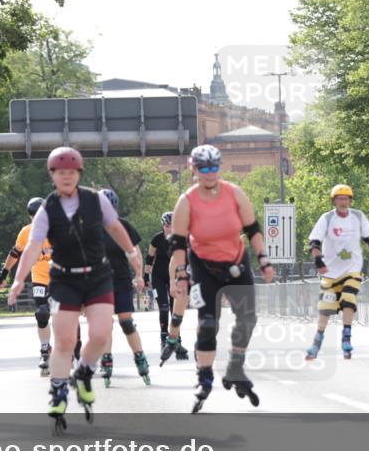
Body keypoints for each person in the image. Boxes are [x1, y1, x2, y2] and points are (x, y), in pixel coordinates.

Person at [8, 147, 142, 432]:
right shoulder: (48, 208)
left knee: (100, 333)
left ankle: (84, 373)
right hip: (64, 279)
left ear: (79, 174)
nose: (66, 177)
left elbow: (116, 228)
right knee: (66, 339)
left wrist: (132, 253)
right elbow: (32, 247)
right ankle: (58, 393)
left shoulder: (95, 201)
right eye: (60, 173)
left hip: (98, 276)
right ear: (52, 176)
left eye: (71, 172)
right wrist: (19, 279)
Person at [169, 144, 275, 413]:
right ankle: (204, 376)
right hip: (204, 266)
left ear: (220, 167)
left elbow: (252, 229)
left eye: (214, 167)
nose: (209, 173)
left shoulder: (234, 193)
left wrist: (263, 259)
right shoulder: (187, 200)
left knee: (248, 317)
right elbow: (178, 243)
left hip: (237, 262)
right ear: (193, 169)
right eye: (203, 168)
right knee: (207, 324)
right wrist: (181, 275)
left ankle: (235, 368)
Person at [305, 184, 369, 360]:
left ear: (350, 200)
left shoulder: (358, 216)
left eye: (346, 198)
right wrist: (318, 261)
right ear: (334, 201)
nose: (343, 202)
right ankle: (316, 342)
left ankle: (346, 338)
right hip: (330, 273)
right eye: (339, 198)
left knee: (349, 300)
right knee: (325, 310)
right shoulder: (327, 218)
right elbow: (314, 242)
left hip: (352, 269)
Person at [0, 197, 55, 374]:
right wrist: (3, 274)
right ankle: (45, 350)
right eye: (32, 217)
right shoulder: (26, 232)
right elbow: (15, 253)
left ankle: (74, 349)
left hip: (61, 277)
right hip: (40, 277)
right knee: (42, 313)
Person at [98, 188, 149, 387]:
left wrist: (138, 274)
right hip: (99, 282)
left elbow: (135, 253)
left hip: (120, 279)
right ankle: (107, 360)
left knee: (126, 322)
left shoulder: (124, 226)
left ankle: (140, 357)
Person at [147, 211, 190, 364]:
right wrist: (146, 277)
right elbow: (149, 258)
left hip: (175, 276)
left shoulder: (181, 239)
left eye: (172, 226)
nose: (169, 229)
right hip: (158, 277)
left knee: (175, 311)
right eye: (166, 226)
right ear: (163, 225)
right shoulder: (157, 239)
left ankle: (177, 342)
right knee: (164, 308)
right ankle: (163, 340)